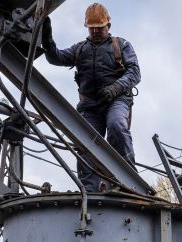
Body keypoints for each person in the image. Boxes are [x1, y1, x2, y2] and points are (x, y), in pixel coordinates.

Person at [41, 3, 141, 191]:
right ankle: (89, 189)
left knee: (117, 126)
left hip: (116, 100)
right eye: (92, 28)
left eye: (99, 28)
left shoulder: (121, 45)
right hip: (90, 107)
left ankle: (127, 181)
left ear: (108, 26)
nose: (95, 31)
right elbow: (56, 57)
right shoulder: (80, 49)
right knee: (85, 140)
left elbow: (135, 72)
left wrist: (115, 88)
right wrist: (47, 39)